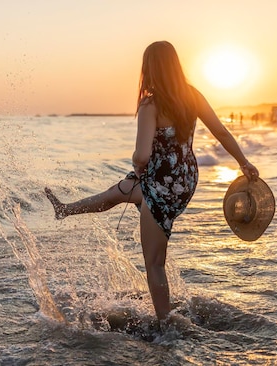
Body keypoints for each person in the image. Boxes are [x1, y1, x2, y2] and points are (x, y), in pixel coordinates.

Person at [44, 41, 259, 330]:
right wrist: (243, 162)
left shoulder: (150, 104)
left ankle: (166, 325)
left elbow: (142, 155)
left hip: (160, 183)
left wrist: (135, 162)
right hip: (185, 179)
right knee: (121, 191)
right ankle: (66, 209)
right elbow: (220, 130)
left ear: (149, 68)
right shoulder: (192, 95)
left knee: (155, 262)